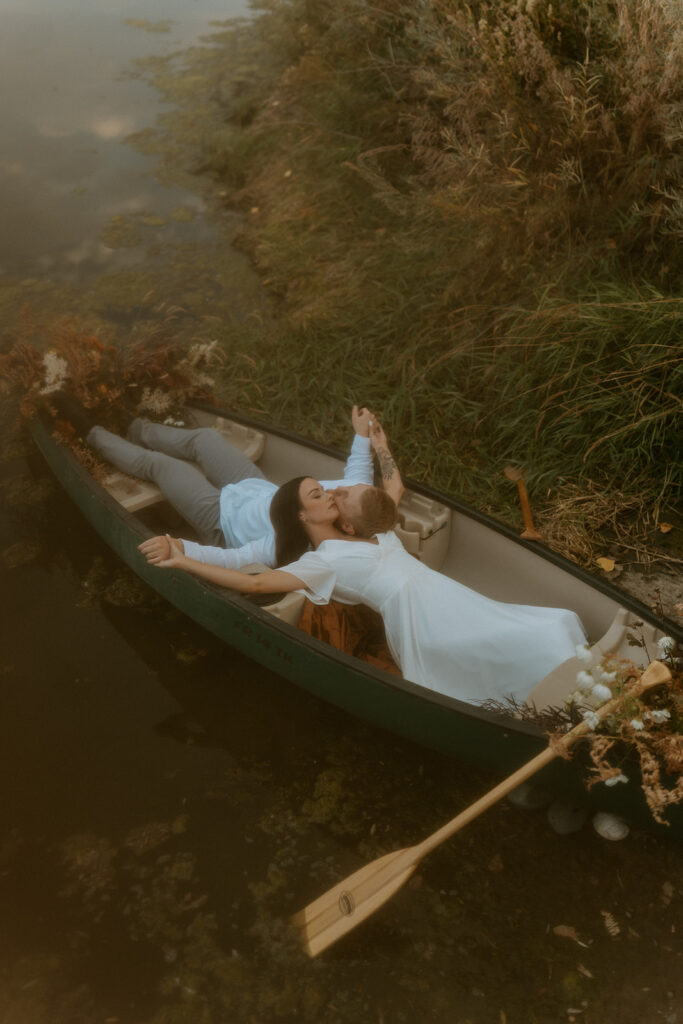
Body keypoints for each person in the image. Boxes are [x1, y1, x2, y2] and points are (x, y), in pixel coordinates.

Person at [139, 472, 587, 707]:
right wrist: (183, 559)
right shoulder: (321, 562)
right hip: (419, 620)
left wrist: (376, 440)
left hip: (448, 595)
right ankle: (562, 696)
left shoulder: (369, 530)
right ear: (302, 517)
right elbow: (252, 580)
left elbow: (393, 485)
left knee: (550, 626)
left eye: (331, 491)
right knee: (513, 649)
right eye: (319, 495)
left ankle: (575, 685)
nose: (331, 495)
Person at [54, 394, 400, 565]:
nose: (337, 489)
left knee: (160, 466)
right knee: (205, 439)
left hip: (222, 519)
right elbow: (358, 474)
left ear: (348, 526)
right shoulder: (349, 499)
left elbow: (233, 560)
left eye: (342, 498)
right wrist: (364, 436)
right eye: (346, 489)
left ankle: (90, 431)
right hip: (257, 488)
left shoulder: (312, 539)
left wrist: (181, 549)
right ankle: (132, 424)